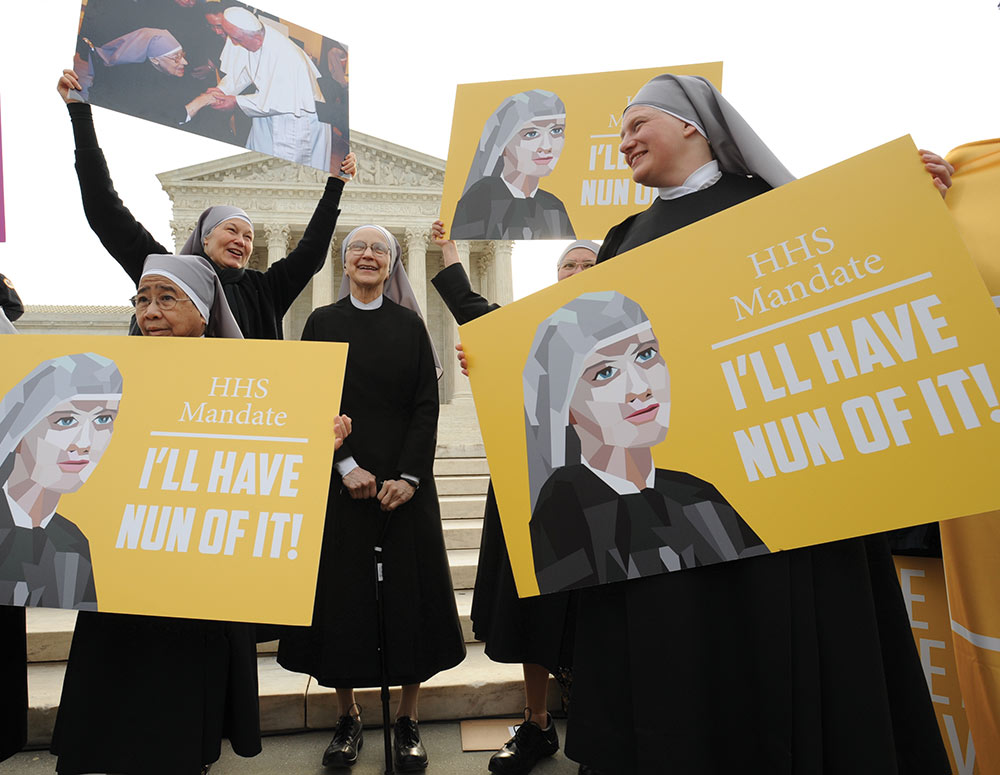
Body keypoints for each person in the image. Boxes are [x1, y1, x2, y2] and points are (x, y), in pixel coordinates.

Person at [566, 73, 950, 774]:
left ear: (691, 125)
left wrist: (910, 201)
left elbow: (862, 278)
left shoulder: (778, 206)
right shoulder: (622, 239)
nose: (622, 143)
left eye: (635, 126)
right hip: (671, 508)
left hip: (782, 499)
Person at [50, 253, 260, 775]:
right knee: (114, 680)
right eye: (143, 299)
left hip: (197, 568)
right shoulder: (107, 377)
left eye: (168, 298)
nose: (151, 311)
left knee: (182, 700)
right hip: (121, 561)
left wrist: (317, 436)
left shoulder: (248, 382)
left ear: (205, 310)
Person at [278, 225, 465, 772]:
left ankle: (407, 717)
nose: (367, 255)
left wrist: (408, 476)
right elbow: (312, 397)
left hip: (404, 487)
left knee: (409, 597)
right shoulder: (322, 323)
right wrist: (346, 464)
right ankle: (348, 715)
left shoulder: (411, 325)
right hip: (342, 484)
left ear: (392, 264)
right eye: (357, 248)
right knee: (342, 601)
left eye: (378, 249)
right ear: (344, 262)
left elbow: (424, 406)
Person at [431, 225, 597, 775]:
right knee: (533, 607)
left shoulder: (633, 329)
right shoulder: (531, 326)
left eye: (587, 265)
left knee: (595, 613)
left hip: (605, 489)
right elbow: (472, 307)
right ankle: (537, 723)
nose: (575, 272)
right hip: (532, 488)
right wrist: (450, 251)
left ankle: (600, 727)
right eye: (567, 266)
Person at [57, 67, 355, 339]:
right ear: (205, 236)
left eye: (248, 236)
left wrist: (336, 184)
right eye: (232, 230)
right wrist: (80, 115)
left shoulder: (264, 290)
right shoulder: (166, 272)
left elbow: (312, 252)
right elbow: (105, 213)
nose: (242, 241)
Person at [524, 291, 768, 595]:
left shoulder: (697, 492)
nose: (640, 388)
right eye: (605, 373)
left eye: (646, 355)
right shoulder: (561, 507)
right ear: (565, 407)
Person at [0, 353, 122, 609]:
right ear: (21, 429)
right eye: (66, 421)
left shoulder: (73, 544)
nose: (85, 443)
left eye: (103, 419)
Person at [208, 7, 332, 171]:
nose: (234, 43)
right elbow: (244, 71)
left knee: (289, 173)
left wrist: (236, 101)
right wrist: (223, 90)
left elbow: (281, 100)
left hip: (295, 121)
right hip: (266, 113)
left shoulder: (287, 57)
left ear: (258, 39)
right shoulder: (249, 38)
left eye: (237, 39)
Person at [452, 90, 575, 240]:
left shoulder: (555, 206)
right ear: (503, 143)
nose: (547, 146)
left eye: (556, 131)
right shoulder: (478, 199)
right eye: (531, 134)